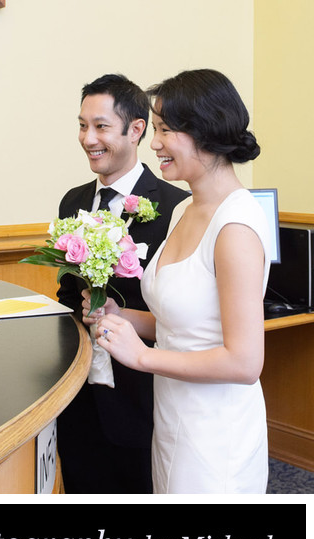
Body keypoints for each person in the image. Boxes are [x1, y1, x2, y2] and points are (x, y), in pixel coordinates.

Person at [87, 69, 269, 494]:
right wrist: (122, 316)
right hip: (172, 416)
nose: (154, 144)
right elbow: (182, 323)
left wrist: (143, 358)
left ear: (204, 132)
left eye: (165, 131)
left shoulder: (236, 226)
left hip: (216, 431)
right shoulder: (184, 210)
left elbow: (244, 363)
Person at [56, 74, 188, 494]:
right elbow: (65, 293)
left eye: (100, 126)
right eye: (82, 125)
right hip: (79, 395)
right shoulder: (72, 201)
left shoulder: (174, 208)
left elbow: (177, 312)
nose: (88, 138)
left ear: (136, 129)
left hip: (140, 395)